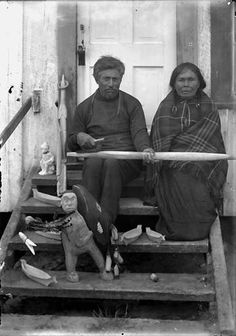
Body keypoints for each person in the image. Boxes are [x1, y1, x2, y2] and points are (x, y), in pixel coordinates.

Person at [68, 55, 153, 228]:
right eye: (106, 78)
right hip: (97, 159)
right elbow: (70, 142)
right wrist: (79, 137)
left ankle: (105, 222)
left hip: (126, 161)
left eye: (116, 79)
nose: (111, 84)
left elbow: (139, 132)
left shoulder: (132, 104)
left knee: (112, 163)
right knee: (93, 162)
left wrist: (145, 148)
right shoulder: (84, 107)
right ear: (96, 79)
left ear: (121, 80)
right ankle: (88, 218)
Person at [146, 62, 228, 241]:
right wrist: (177, 154)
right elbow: (160, 140)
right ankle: (180, 229)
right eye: (181, 80)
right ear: (174, 83)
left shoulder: (208, 105)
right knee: (176, 178)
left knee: (194, 182)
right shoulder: (165, 106)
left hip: (201, 165)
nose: (186, 84)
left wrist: (185, 152)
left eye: (191, 80)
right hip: (169, 165)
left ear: (199, 83)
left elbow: (209, 140)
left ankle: (197, 229)